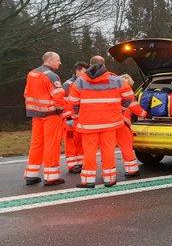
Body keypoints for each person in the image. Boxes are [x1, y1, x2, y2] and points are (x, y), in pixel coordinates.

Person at [67, 55, 138, 188]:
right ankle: (109, 179)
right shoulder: (116, 79)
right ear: (104, 64)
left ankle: (88, 180)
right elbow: (129, 96)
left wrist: (77, 115)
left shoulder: (80, 81)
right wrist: (121, 108)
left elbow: (73, 102)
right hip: (110, 123)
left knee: (89, 152)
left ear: (89, 64)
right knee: (108, 150)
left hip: (88, 124)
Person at [23, 51, 69, 186]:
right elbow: (59, 96)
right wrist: (63, 108)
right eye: (58, 60)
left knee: (36, 144)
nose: (60, 63)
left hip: (36, 115)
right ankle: (51, 176)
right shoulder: (51, 75)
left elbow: (26, 93)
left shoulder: (32, 74)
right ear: (50, 60)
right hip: (51, 115)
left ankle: (31, 175)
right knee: (52, 144)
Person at [117, 74, 147, 177]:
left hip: (112, 122)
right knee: (126, 146)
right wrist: (144, 114)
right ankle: (132, 170)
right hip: (123, 123)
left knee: (107, 147)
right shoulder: (126, 90)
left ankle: (108, 170)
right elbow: (134, 106)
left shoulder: (113, 89)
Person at [62, 62, 88, 174]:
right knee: (70, 141)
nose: (85, 74)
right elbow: (63, 102)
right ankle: (72, 165)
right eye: (84, 72)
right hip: (70, 119)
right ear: (77, 71)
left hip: (79, 119)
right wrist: (68, 118)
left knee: (80, 141)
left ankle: (80, 162)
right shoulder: (68, 85)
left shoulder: (81, 83)